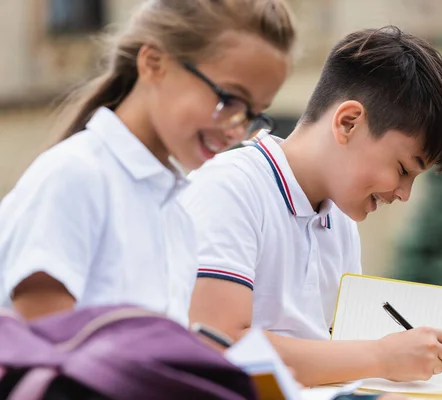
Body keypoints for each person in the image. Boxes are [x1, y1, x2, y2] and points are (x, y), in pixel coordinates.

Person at [181, 26, 442, 399]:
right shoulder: (231, 187)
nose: (403, 194)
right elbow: (216, 349)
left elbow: (340, 369)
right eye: (403, 169)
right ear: (348, 122)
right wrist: (380, 357)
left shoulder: (338, 223)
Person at [0, 0, 296, 327]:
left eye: (253, 114)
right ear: (154, 63)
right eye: (229, 100)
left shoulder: (175, 213)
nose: (238, 129)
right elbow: (44, 354)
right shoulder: (75, 176)